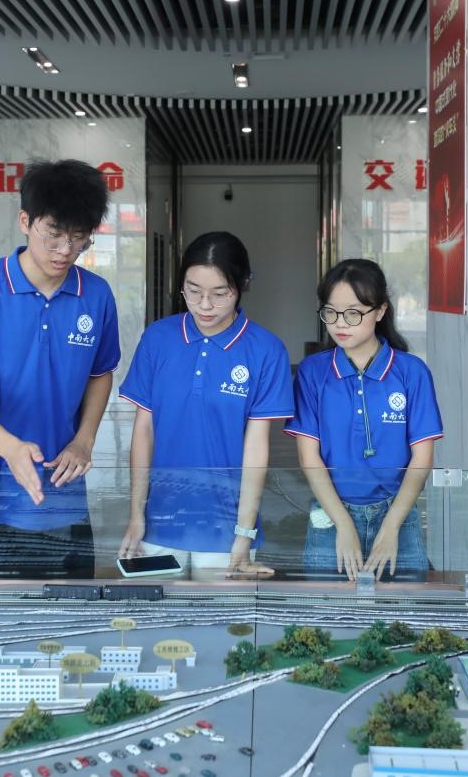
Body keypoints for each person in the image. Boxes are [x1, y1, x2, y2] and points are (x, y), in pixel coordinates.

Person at [0, 159, 119, 578]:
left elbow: (99, 373)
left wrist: (84, 440)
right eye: (54, 233)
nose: (65, 250)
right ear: (25, 221)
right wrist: (10, 448)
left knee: (57, 615)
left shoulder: (96, 295)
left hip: (55, 492)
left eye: (79, 238)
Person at [118, 231, 293, 579]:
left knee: (221, 614)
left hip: (227, 531)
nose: (205, 305)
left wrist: (244, 534)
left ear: (243, 284)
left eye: (220, 293)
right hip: (158, 526)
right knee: (159, 613)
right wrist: (136, 516)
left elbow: (256, 449)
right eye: (193, 291)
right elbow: (144, 430)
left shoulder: (266, 350)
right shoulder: (158, 338)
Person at [285, 259, 442, 581]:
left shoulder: (411, 372)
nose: (340, 323)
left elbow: (422, 458)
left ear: (380, 311)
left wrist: (391, 527)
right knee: (326, 611)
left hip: (398, 515)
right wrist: (343, 525)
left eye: (354, 313)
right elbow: (308, 457)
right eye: (331, 312)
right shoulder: (313, 372)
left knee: (403, 610)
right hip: (330, 515)